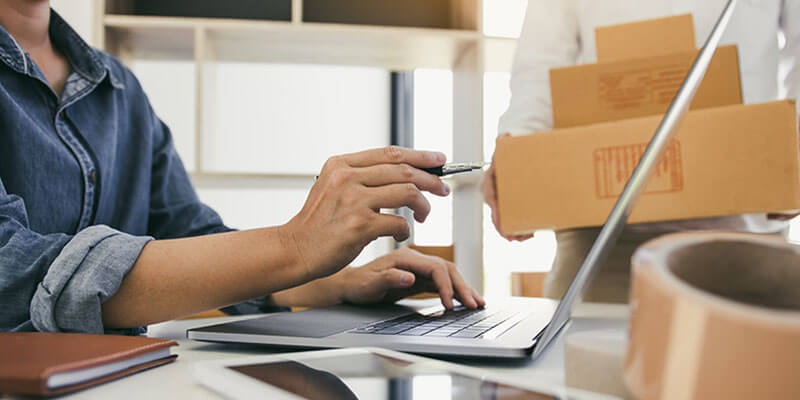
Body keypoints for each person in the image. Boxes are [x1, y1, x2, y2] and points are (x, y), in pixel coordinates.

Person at [0, 0, 485, 335]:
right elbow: (14, 267)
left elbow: (190, 234)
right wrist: (295, 245)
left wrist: (334, 280)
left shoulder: (120, 88)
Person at [483, 0, 799, 303]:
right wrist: (517, 151)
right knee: (580, 356)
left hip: (743, 232)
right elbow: (541, 66)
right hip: (601, 239)